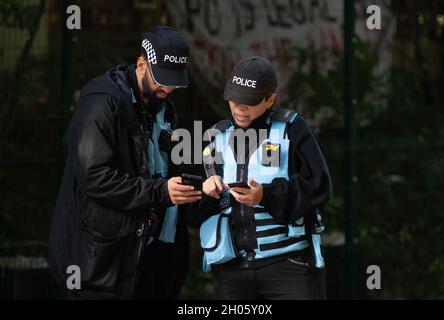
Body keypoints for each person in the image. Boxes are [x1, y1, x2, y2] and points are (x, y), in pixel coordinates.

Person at [48, 26, 202, 300]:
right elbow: (95, 177)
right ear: (141, 64)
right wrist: (161, 192)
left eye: (174, 82)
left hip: (149, 257)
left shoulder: (163, 106)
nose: (168, 88)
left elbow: (162, 166)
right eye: (162, 79)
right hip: (102, 265)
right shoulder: (100, 104)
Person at [188, 56, 332, 300]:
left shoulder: (293, 129)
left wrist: (265, 195)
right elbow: (194, 214)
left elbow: (319, 187)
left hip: (290, 265)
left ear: (270, 99)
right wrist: (205, 192)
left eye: (249, 101)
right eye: (234, 99)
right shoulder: (214, 137)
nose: (239, 108)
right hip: (234, 269)